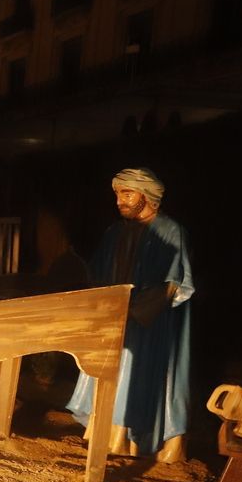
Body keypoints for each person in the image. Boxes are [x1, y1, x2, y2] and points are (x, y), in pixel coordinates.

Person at [67, 168, 194, 462]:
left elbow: (175, 282)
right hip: (115, 318)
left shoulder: (171, 231)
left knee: (138, 377)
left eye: (127, 193)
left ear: (147, 195)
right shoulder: (115, 232)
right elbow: (99, 273)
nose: (119, 201)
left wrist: (138, 309)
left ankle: (134, 440)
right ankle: (109, 436)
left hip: (151, 324)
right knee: (110, 373)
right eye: (117, 194)